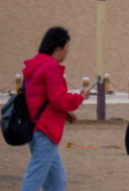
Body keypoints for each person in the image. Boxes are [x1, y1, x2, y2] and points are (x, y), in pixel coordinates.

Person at [20, 26, 91, 191]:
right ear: (58, 47)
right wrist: (81, 97)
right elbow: (58, 100)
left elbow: (42, 99)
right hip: (45, 131)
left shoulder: (36, 65)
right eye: (67, 48)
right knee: (35, 178)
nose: (67, 52)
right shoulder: (50, 67)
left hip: (36, 128)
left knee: (57, 182)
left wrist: (65, 114)